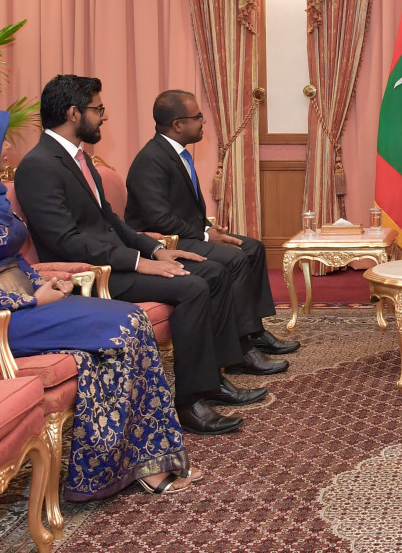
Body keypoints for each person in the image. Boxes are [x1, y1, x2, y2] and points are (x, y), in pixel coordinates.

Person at [0, 105, 196, 497]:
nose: (7, 148)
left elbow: (12, 260)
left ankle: (126, 464)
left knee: (128, 322)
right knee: (124, 325)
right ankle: (138, 465)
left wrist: (44, 284)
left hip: (24, 306)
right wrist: (29, 301)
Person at [15, 74, 278, 437]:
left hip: (116, 260)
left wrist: (157, 250)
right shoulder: (39, 164)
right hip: (88, 274)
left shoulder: (79, 158)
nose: (104, 116)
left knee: (213, 272)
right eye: (98, 109)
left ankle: (212, 381)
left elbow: (111, 221)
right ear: (74, 113)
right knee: (193, 287)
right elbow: (66, 241)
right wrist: (141, 262)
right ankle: (189, 404)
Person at [124, 90, 298, 357]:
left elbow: (185, 208)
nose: (202, 122)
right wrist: (205, 236)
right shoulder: (150, 160)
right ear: (178, 125)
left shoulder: (175, 153)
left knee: (253, 248)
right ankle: (240, 347)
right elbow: (158, 219)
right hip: (164, 242)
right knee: (236, 258)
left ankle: (254, 331)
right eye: (197, 117)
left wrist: (207, 228)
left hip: (186, 234)